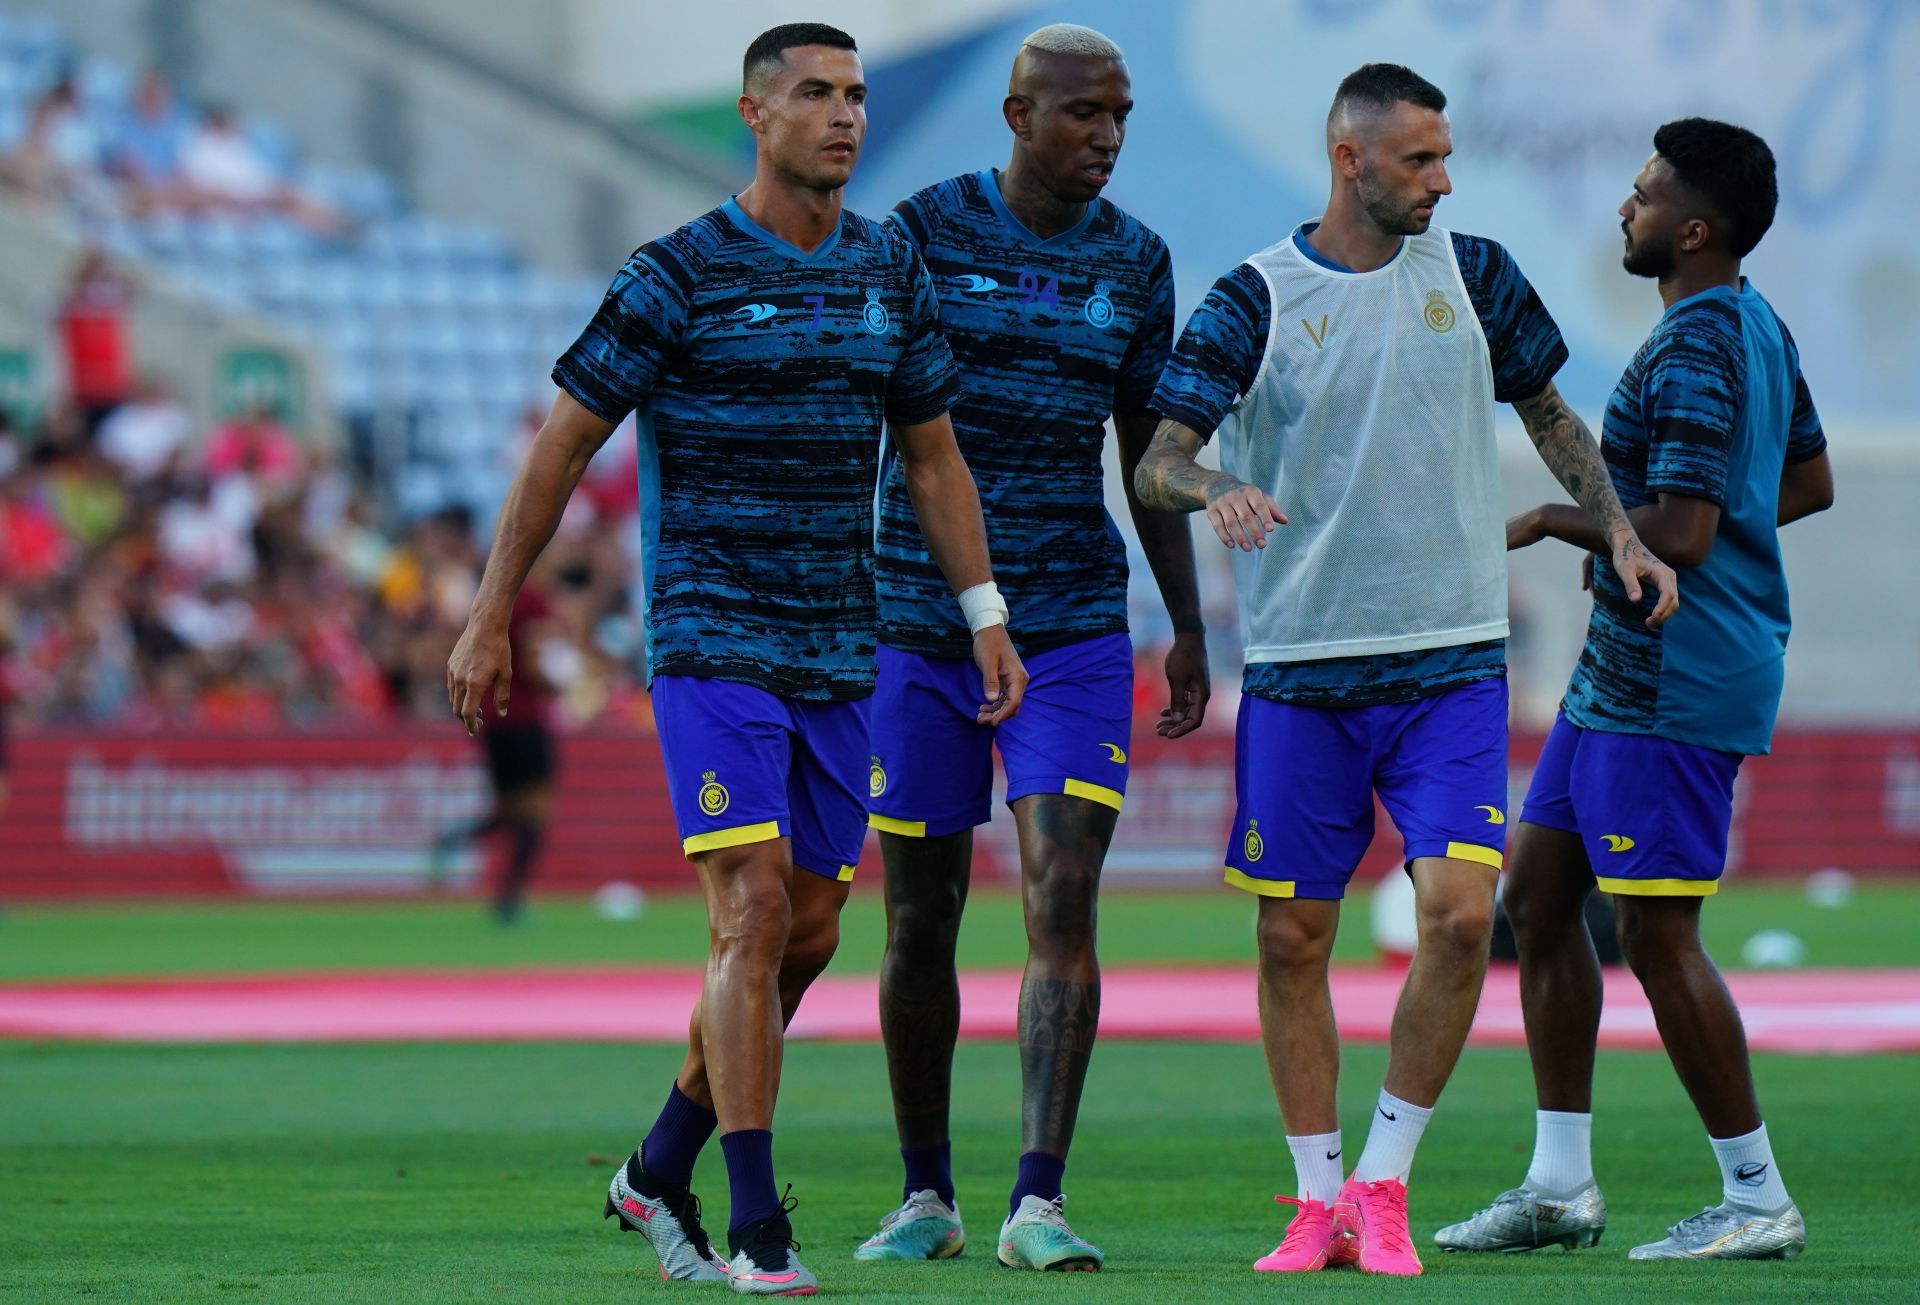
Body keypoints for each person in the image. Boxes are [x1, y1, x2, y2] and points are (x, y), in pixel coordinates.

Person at [445, 23, 1023, 1297]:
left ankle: (653, 1164)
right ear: (756, 117)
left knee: (809, 932)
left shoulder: (889, 272)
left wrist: (982, 608)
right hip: (712, 636)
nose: (845, 116)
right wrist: (492, 610)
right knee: (751, 912)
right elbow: (562, 445)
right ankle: (753, 1228)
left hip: (839, 645)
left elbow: (932, 456)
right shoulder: (678, 275)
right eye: (816, 94)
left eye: (857, 95)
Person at [1134, 63, 1678, 1278]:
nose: (1443, 179)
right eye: (1421, 160)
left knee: (1457, 913)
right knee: (1294, 939)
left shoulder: (1475, 274)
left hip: (1448, 662)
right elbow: (1157, 461)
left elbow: (1551, 416)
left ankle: (1385, 1180)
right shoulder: (1254, 298)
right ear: (1349, 159)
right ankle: (1315, 1199)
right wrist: (1217, 484)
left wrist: (1624, 530)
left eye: (1446, 158)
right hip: (1300, 667)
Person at [1436, 118, 1830, 1263]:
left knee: (1657, 938)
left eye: (1646, 193)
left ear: (1692, 229)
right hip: (1626, 674)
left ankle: (1757, 1196)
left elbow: (1688, 534)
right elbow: (1803, 482)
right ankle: (1560, 1185)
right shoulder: (1755, 325)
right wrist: (1684, 536)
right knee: (1541, 902)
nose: (1626, 205)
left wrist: (1555, 519)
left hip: (1673, 673)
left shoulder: (1696, 346)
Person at [854, 23, 1202, 1274]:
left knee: (1062, 891)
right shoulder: (922, 236)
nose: (1105, 139)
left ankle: (1038, 1200)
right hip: (917, 621)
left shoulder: (1139, 263)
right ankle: (925, 1195)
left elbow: (1147, 459)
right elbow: (874, 419)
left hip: (1069, 623)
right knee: (920, 916)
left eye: (1120, 117)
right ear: (1017, 116)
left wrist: (1190, 625)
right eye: (1083, 116)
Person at [430, 572, 564, 923]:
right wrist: (558, 686)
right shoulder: (532, 599)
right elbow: (535, 660)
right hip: (524, 717)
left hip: (493, 716)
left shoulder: (490, 596)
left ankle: (456, 838)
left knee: (510, 809)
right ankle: (510, 899)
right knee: (533, 813)